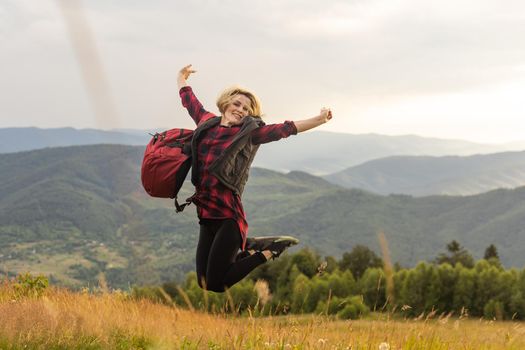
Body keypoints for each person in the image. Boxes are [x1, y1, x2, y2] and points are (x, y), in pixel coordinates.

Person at [177, 64, 333, 292]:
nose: (241, 110)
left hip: (228, 218)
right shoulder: (206, 123)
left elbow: (284, 129)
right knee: (204, 283)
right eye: (237, 103)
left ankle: (269, 252)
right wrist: (181, 78)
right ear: (226, 102)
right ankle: (247, 246)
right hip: (206, 216)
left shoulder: (249, 134)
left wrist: (319, 119)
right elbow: (189, 101)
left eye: (247, 109)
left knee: (219, 285)